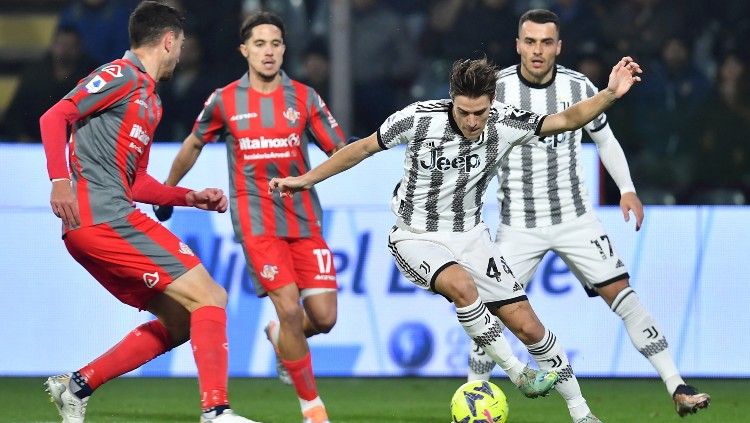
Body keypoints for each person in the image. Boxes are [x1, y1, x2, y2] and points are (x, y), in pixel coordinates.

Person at [271, 54, 644, 423]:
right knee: (461, 287)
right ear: (452, 100)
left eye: (479, 112)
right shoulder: (417, 119)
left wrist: (609, 94)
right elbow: (362, 147)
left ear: (491, 103)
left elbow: (565, 119)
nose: (471, 121)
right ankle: (519, 374)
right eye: (463, 111)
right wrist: (305, 180)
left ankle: (582, 413)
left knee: (529, 326)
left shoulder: (505, 122)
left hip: (471, 236)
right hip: (415, 235)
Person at [465, 9, 711, 418]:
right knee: (490, 316)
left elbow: (606, 140)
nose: (538, 50)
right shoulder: (498, 90)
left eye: (546, 42)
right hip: (518, 226)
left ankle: (677, 384)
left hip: (575, 220)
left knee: (624, 297)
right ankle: (475, 397)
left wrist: (627, 190)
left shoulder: (578, 86)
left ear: (559, 46)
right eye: (530, 41)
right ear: (518, 45)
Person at [38, 2, 261, 422]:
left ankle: (76, 385)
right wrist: (59, 179)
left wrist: (187, 196)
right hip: (104, 218)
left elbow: (136, 183)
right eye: (180, 45)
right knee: (211, 296)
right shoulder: (119, 75)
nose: (180, 54)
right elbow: (55, 117)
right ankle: (216, 411)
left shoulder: (150, 101)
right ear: (169, 40)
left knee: (180, 321)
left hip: (100, 222)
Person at [158, 11, 345, 423]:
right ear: (245, 50)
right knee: (291, 310)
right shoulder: (225, 99)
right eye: (259, 44)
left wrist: (357, 154)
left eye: (275, 44)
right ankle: (312, 408)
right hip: (256, 221)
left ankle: (282, 339)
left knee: (324, 319)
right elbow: (192, 144)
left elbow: (339, 149)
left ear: (284, 50)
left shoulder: (305, 98)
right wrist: (170, 190)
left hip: (305, 221)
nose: (268, 51)